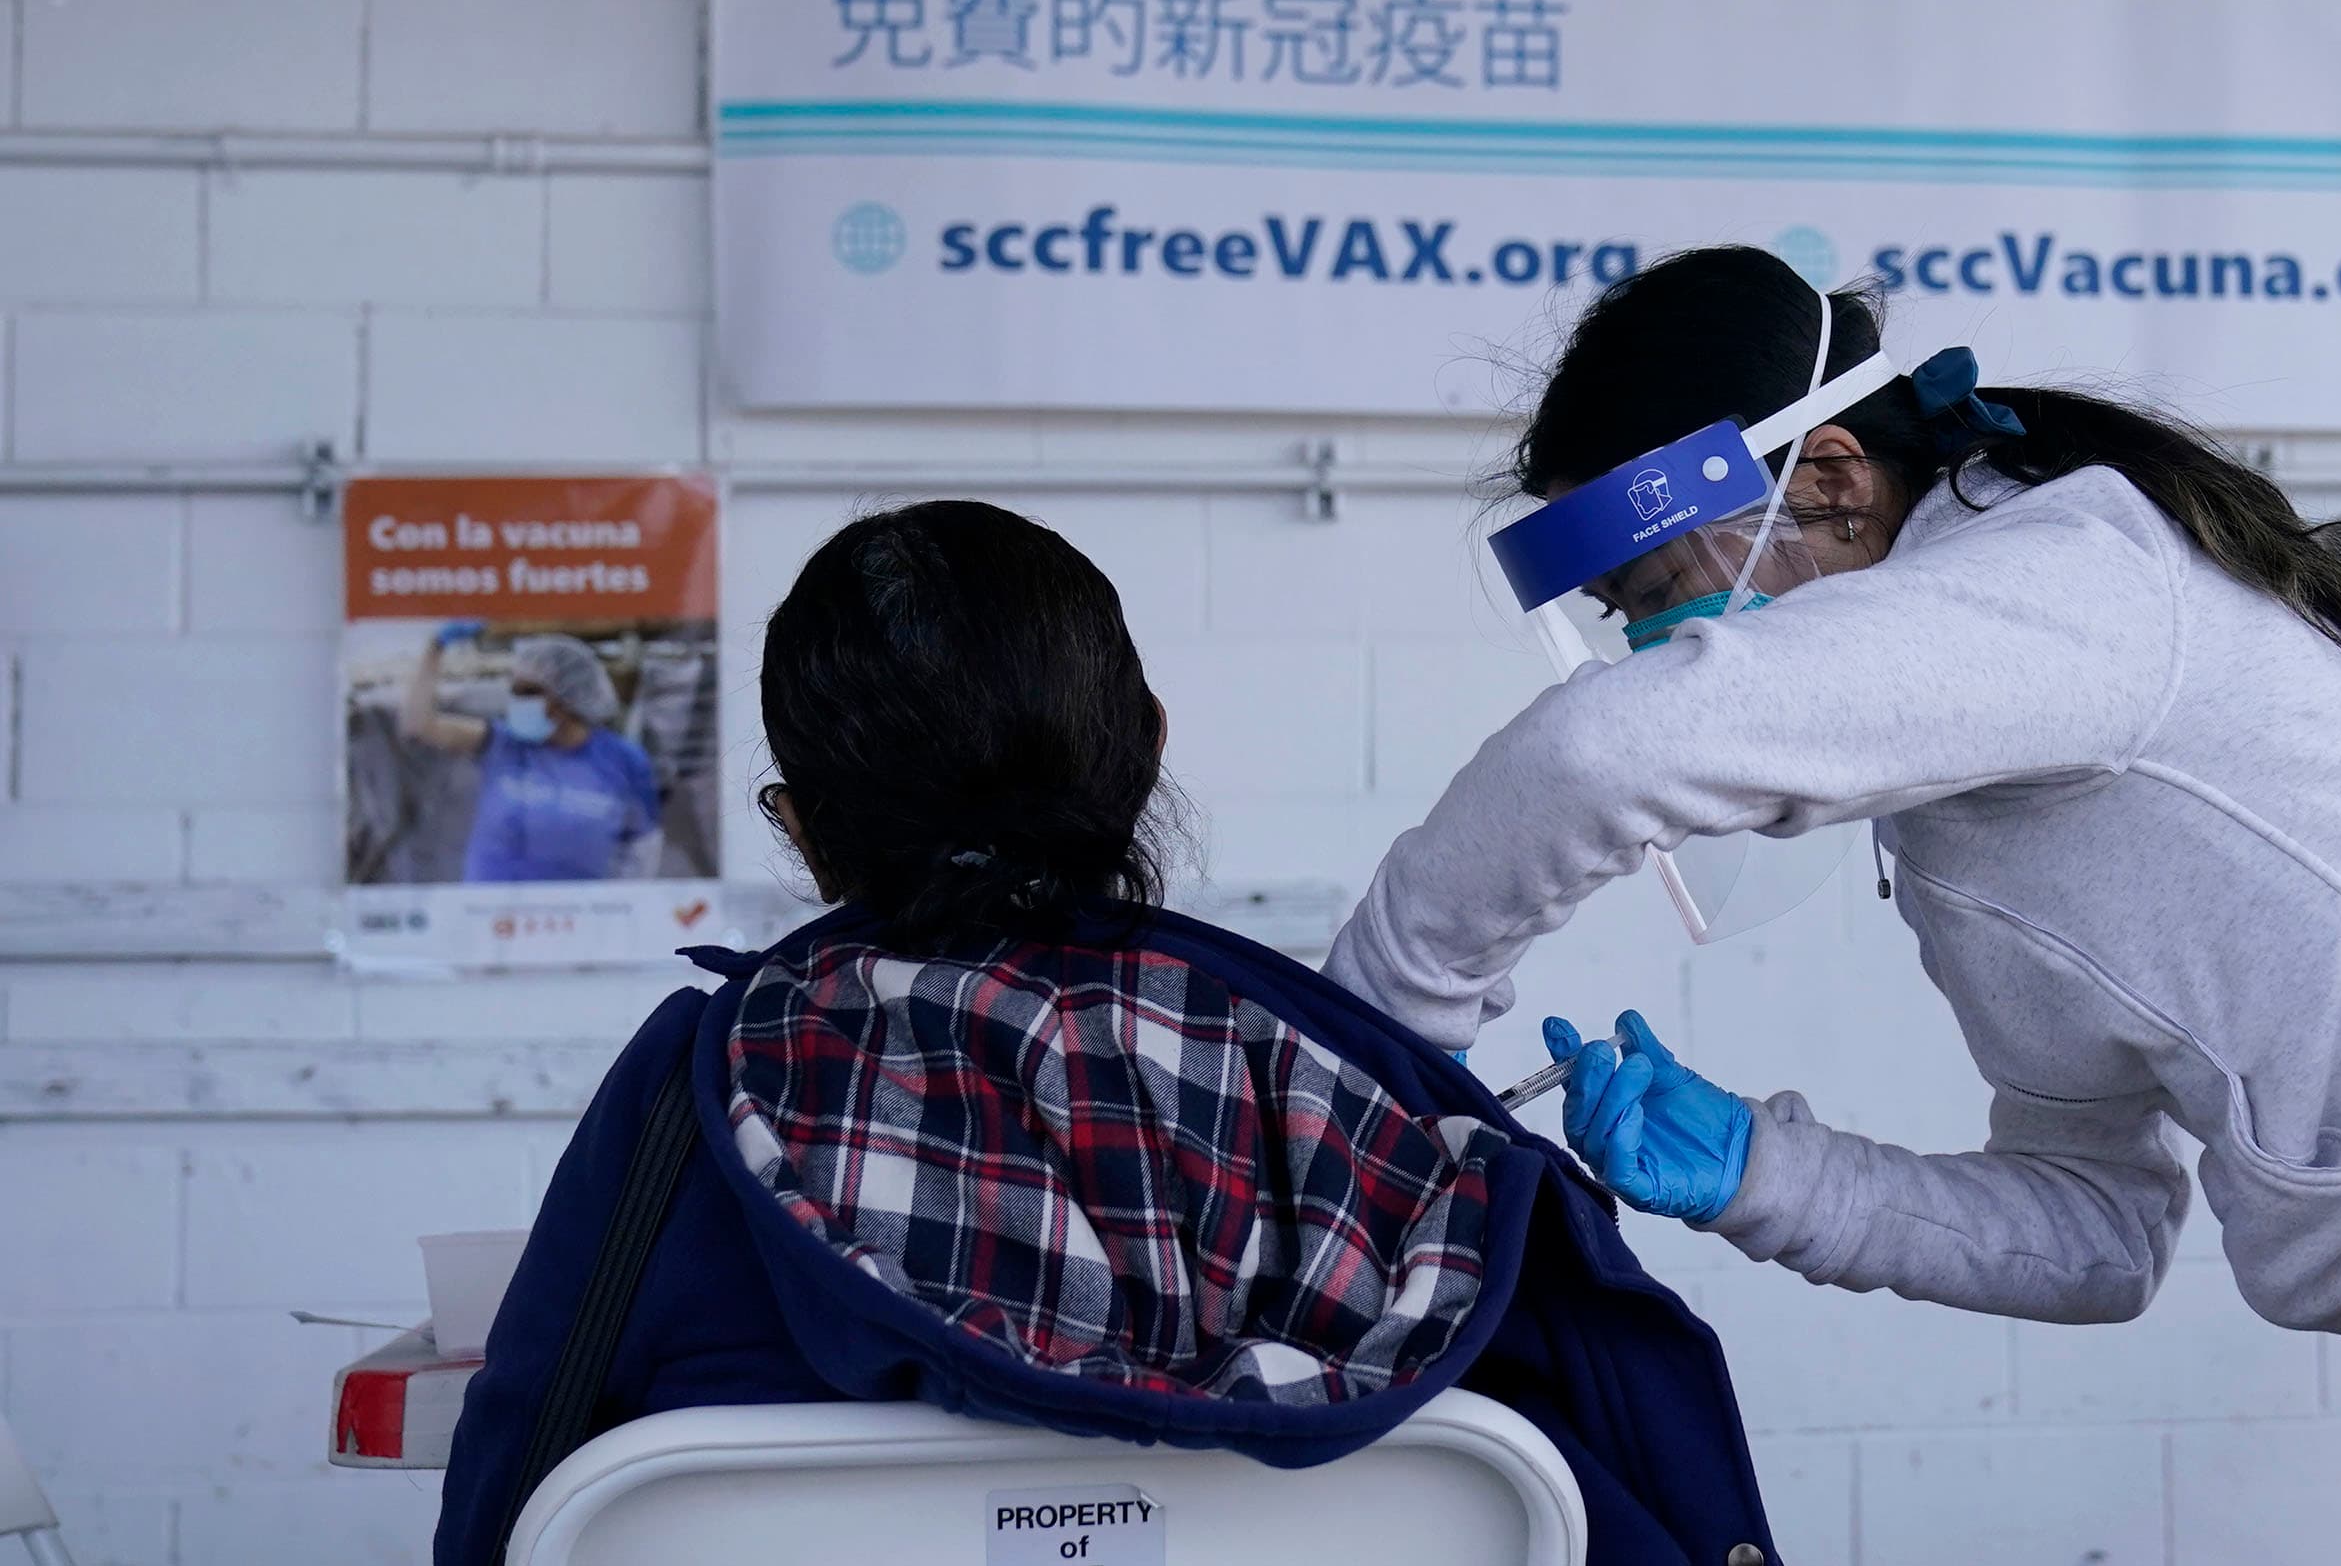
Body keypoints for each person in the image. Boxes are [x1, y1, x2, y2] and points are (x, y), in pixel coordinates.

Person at [1328, 246, 2341, 1563]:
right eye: (1625, 618)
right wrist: (1766, 1169)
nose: (1659, 650)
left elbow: (1608, 751)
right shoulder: (1977, 828)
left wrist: (1367, 1046)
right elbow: (2097, 1232)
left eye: (1670, 600)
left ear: (1827, 478)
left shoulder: (2062, 578)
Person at [434, 503, 1779, 1566]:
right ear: (1148, 747)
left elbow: (513, 1494)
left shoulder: (684, 1097)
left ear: (797, 821)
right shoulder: (1380, 1118)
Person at [401, 628, 661, 882]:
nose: (516, 701)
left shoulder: (623, 760)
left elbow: (642, 849)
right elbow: (419, 725)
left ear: (566, 698)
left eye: (528, 692)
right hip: (489, 912)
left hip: (578, 914)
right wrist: (435, 647)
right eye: (514, 690)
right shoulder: (503, 744)